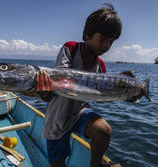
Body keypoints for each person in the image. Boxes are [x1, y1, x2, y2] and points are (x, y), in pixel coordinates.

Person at [35, 3, 122, 167]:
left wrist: (127, 93)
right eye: (103, 39)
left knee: (104, 130)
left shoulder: (100, 65)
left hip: (79, 112)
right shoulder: (71, 48)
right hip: (57, 118)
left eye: (110, 42)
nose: (106, 46)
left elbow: (99, 97)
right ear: (87, 35)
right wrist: (45, 92)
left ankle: (95, 165)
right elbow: (58, 80)